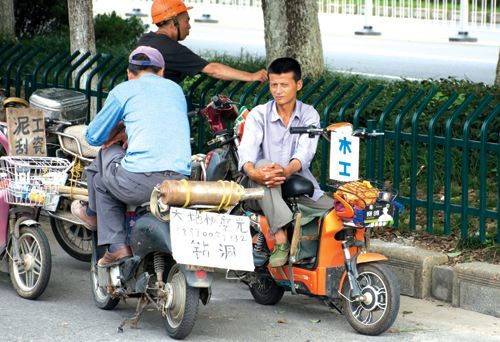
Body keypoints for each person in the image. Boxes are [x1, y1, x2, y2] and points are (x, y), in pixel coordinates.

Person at [71, 46, 191, 266]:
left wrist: (116, 134)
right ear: (161, 71)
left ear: (129, 73)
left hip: (138, 182)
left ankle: (110, 236)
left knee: (103, 164)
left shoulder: (124, 90)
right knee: (105, 172)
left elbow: (94, 137)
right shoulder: (176, 90)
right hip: (181, 181)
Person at [237, 57, 332, 267]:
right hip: (257, 186)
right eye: (273, 85)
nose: (278, 91)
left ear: (298, 85)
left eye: (284, 85)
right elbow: (247, 151)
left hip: (294, 180)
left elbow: (305, 152)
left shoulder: (309, 114)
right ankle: (280, 239)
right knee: (265, 166)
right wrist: (253, 172)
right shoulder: (258, 115)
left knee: (334, 211)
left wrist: (287, 170)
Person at [136, 0, 268, 84]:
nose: (189, 26)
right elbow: (214, 70)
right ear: (173, 22)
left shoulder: (144, 39)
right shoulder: (171, 49)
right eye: (186, 21)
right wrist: (251, 76)